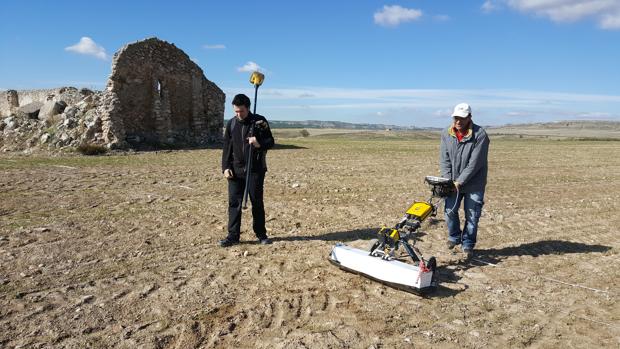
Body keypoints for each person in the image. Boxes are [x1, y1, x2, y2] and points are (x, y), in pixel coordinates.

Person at [220, 94, 275, 247]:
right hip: (235, 170)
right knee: (234, 203)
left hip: (255, 169)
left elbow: (270, 142)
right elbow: (226, 148)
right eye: (236, 111)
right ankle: (233, 236)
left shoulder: (259, 122)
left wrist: (258, 143)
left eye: (241, 111)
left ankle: (261, 234)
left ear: (248, 108)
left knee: (256, 202)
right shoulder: (231, 124)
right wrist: (225, 168)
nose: (238, 114)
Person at [439, 103, 490, 259]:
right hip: (453, 183)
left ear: (469, 117)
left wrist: (459, 182)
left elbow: (475, 164)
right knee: (449, 211)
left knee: (472, 215)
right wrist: (448, 180)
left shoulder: (480, 135)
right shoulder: (447, 133)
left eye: (462, 118)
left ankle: (468, 243)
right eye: (456, 118)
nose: (458, 121)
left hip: (474, 183)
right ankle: (454, 236)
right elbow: (444, 159)